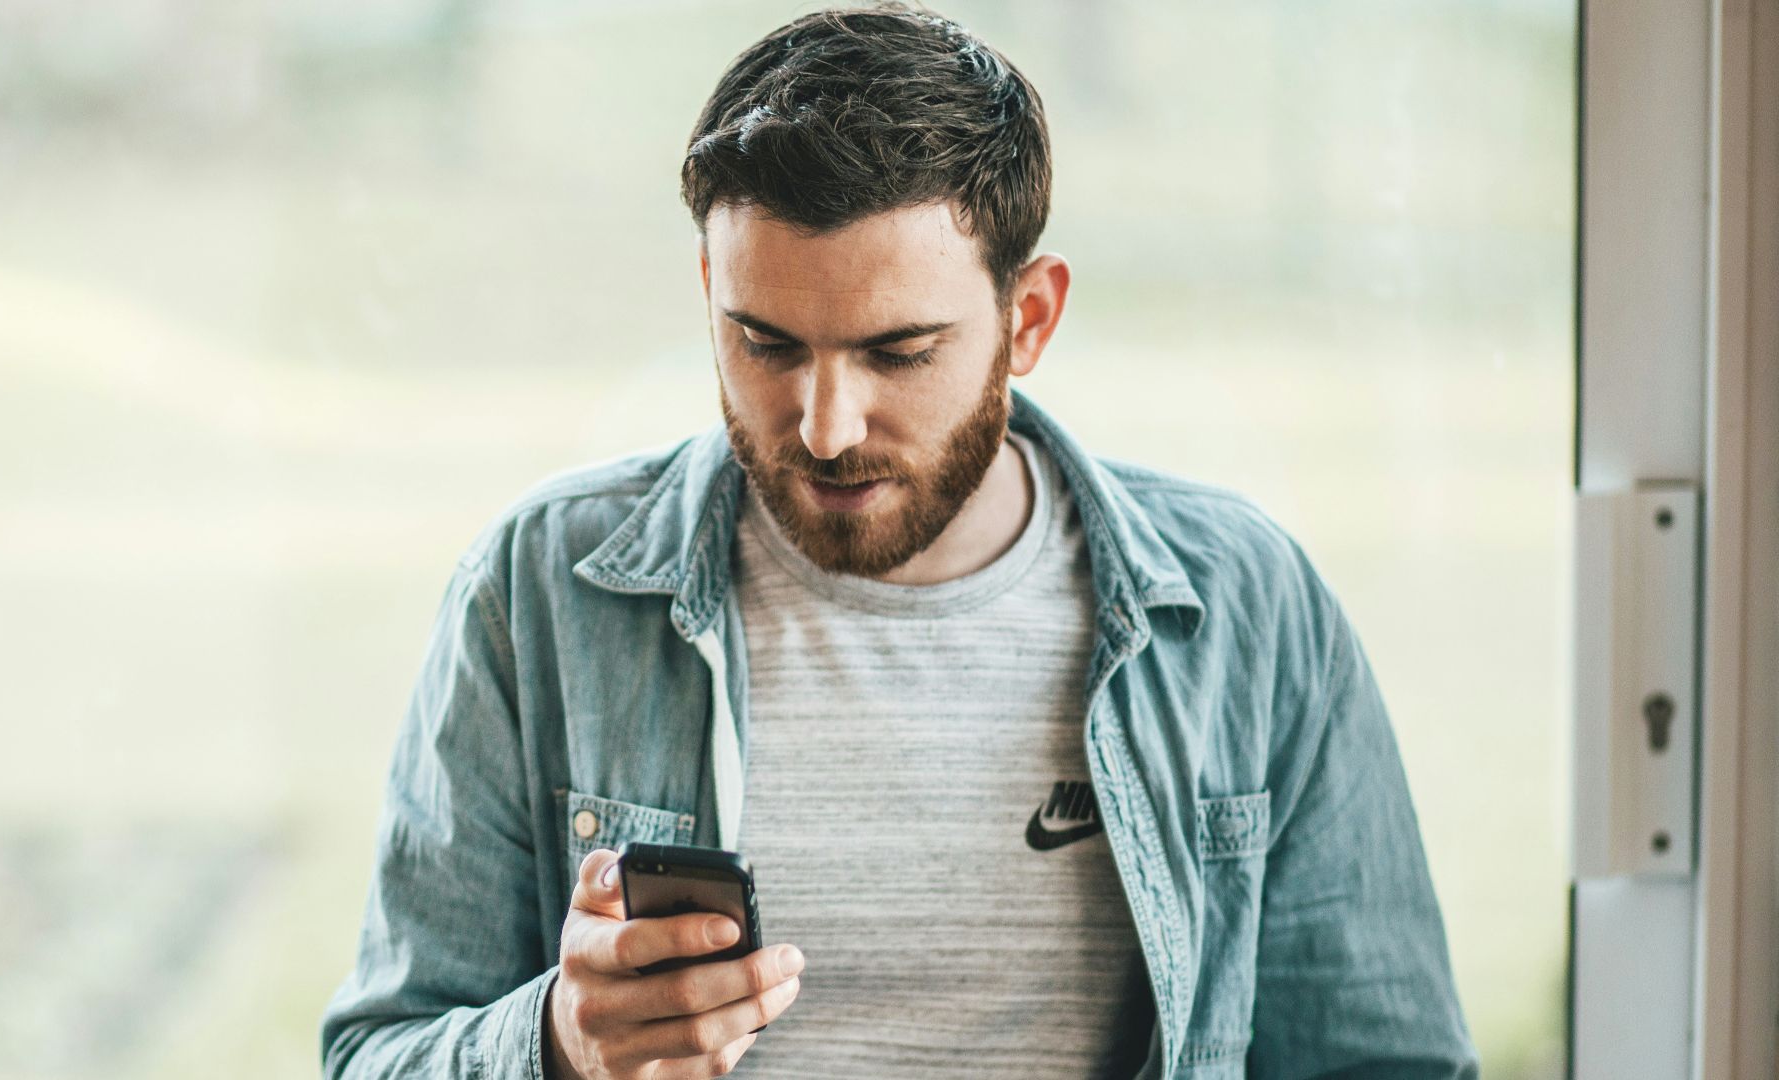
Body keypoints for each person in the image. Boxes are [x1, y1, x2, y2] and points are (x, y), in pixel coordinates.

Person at [318, 5, 1480, 1078]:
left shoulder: (1247, 610)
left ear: (1029, 320)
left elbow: (1382, 1059)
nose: (824, 427)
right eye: (765, 343)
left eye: (898, 352)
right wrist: (558, 1044)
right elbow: (377, 1052)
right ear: (708, 293)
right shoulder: (537, 594)